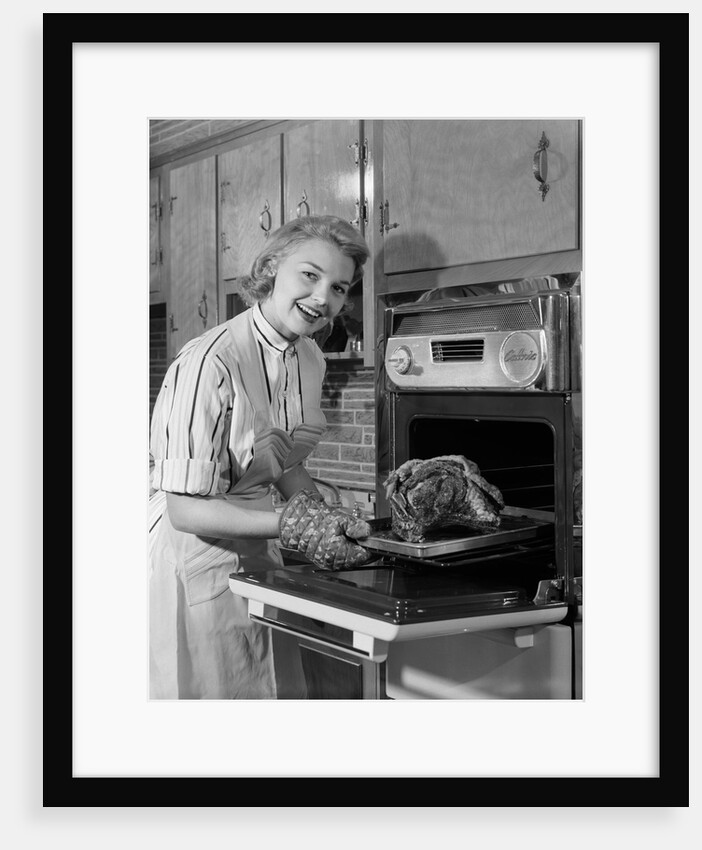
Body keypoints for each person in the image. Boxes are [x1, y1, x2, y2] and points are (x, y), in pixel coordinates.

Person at [148, 215, 371, 700]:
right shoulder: (210, 360)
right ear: (272, 268)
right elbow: (184, 510)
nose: (322, 298)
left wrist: (327, 520)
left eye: (338, 287)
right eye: (310, 275)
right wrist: (296, 525)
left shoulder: (309, 357)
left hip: (256, 552)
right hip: (193, 557)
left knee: (270, 692)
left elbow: (284, 463)